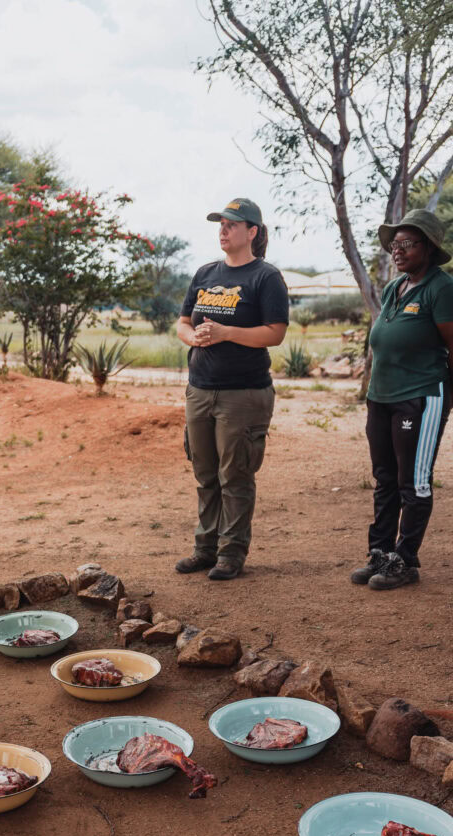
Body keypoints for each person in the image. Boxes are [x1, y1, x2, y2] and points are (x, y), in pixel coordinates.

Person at [351, 209, 453, 590]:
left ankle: (405, 560)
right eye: (393, 244)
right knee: (385, 478)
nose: (396, 250)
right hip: (381, 398)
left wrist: (446, 400)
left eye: (406, 244)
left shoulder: (443, 289)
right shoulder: (394, 288)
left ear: (429, 248)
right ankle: (381, 554)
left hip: (420, 397)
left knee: (413, 483)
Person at [175, 198, 289, 580]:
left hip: (244, 393)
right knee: (205, 474)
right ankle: (205, 549)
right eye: (221, 225)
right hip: (200, 388)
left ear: (252, 232)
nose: (223, 231)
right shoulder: (206, 273)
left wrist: (226, 333)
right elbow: (182, 322)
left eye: (232, 225)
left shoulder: (265, 277)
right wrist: (194, 338)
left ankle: (231, 554)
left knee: (235, 475)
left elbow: (275, 334)